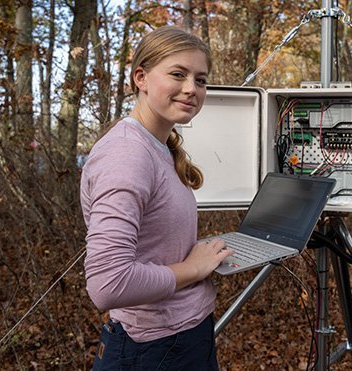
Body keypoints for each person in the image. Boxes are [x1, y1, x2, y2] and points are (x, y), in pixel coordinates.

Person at [80, 26, 234, 370]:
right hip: (152, 349)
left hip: (180, 336)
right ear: (142, 78)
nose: (191, 89)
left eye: (201, 79)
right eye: (178, 74)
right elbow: (109, 284)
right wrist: (193, 269)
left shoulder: (157, 146)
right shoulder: (126, 154)